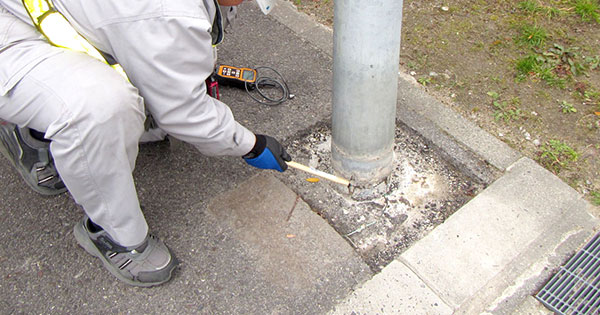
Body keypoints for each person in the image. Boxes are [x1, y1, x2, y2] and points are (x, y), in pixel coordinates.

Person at [0, 0, 290, 287]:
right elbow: (184, 113)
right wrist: (250, 144)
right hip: (12, 29)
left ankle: (43, 123)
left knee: (148, 78)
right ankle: (115, 234)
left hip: (54, 12)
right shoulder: (165, 11)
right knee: (102, 108)